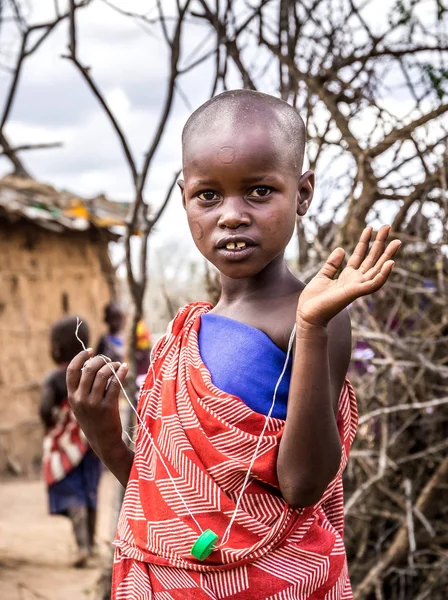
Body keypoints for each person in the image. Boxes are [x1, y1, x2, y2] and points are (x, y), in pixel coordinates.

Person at [66, 90, 401, 598]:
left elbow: (304, 485)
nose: (232, 215)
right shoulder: (183, 336)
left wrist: (311, 328)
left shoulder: (315, 316)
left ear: (303, 193)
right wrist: (104, 434)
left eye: (259, 191)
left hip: (276, 580)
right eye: (209, 196)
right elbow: (166, 500)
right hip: (168, 581)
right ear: (185, 199)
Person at [40, 316, 102, 568]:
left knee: (74, 492)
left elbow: (45, 409)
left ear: (57, 349)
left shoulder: (54, 378)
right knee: (90, 493)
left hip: (67, 444)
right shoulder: (93, 372)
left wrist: (49, 425)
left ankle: (82, 547)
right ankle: (92, 543)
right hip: (92, 440)